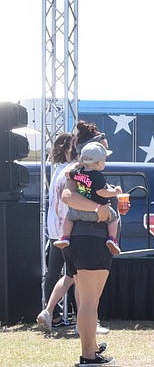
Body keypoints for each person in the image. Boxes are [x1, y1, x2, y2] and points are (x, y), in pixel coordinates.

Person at [60, 155, 118, 365]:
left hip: (78, 239)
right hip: (92, 240)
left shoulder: (77, 173)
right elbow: (68, 196)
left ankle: (91, 348)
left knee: (88, 301)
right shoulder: (78, 173)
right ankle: (88, 356)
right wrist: (98, 208)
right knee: (89, 302)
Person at [54, 142, 122, 256]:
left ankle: (65, 237)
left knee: (68, 218)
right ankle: (112, 239)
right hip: (98, 214)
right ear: (100, 162)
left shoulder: (78, 173)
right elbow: (102, 192)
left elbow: (67, 174)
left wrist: (77, 167)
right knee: (113, 218)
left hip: (77, 212)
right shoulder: (97, 176)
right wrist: (116, 191)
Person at [37, 133, 75, 331]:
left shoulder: (58, 170)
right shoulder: (70, 170)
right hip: (67, 229)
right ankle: (61, 313)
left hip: (55, 229)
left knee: (54, 273)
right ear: (68, 149)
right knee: (75, 273)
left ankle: (53, 313)